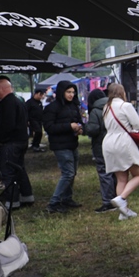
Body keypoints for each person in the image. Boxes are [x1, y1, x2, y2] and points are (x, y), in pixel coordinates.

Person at [101, 83, 139, 221]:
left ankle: (123, 212)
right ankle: (121, 198)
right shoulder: (125, 106)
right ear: (122, 92)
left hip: (108, 142)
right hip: (123, 142)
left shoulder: (106, 107)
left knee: (121, 178)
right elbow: (138, 125)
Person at [41, 80, 83, 213]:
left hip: (72, 143)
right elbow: (49, 127)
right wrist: (68, 126)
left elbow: (79, 121)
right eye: (68, 92)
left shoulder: (73, 106)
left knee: (72, 173)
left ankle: (66, 198)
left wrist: (80, 128)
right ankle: (54, 202)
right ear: (61, 92)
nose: (71, 95)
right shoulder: (52, 108)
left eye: (73, 92)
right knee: (68, 173)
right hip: (60, 145)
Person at [0, 79, 34, 210]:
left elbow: (7, 125)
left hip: (10, 143)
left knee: (8, 172)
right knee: (19, 169)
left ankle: (12, 201)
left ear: (1, 89)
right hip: (21, 141)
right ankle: (27, 196)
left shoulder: (7, 103)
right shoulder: (18, 101)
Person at [84, 88, 117, 213]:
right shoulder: (114, 107)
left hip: (101, 146)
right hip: (116, 144)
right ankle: (118, 198)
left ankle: (108, 202)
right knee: (116, 172)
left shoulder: (95, 111)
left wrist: (85, 128)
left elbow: (93, 129)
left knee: (104, 173)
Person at [26, 87, 46, 152]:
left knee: (40, 132)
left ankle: (35, 144)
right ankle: (35, 145)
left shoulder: (39, 102)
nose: (42, 97)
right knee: (38, 131)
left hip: (39, 120)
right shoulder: (29, 102)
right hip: (32, 120)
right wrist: (27, 120)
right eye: (41, 95)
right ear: (37, 94)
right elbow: (25, 111)